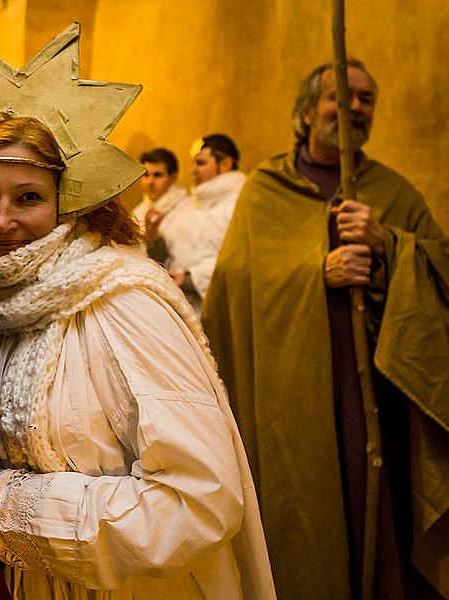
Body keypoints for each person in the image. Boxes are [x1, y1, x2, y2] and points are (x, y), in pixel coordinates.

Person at [0, 24, 275, 599]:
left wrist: (0, 507)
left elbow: (199, 497)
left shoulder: (126, 302)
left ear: (68, 202)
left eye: (28, 197)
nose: (2, 221)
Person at [202, 59, 448, 599]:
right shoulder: (266, 190)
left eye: (366, 99)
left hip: (378, 396)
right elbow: (236, 287)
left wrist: (388, 248)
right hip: (295, 393)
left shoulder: (392, 191)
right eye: (342, 96)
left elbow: (441, 272)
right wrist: (318, 273)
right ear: (308, 110)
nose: (354, 108)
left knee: (378, 509)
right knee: (308, 510)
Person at [153, 134, 244, 312]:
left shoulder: (241, 205)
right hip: (182, 304)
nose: (194, 170)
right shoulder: (189, 203)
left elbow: (240, 258)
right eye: (194, 163)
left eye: (201, 163)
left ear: (225, 164)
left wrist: (191, 278)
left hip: (220, 305)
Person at [132, 148, 189, 259]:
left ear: (173, 177)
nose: (150, 182)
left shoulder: (188, 210)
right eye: (146, 175)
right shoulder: (137, 212)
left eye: (157, 175)